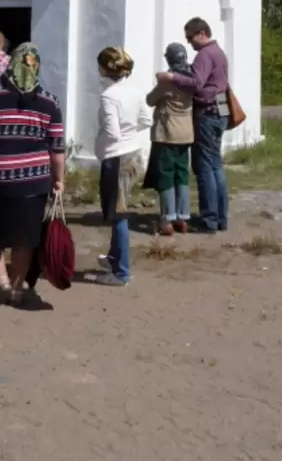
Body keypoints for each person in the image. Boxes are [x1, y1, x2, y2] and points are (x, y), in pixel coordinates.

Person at [0, 42, 65, 305]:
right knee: (25, 236)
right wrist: (59, 179)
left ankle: (1, 280)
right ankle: (18, 290)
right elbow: (57, 149)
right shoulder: (50, 102)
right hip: (33, 182)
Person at [157, 17, 230, 234]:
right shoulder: (219, 52)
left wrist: (171, 77)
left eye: (190, 37)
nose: (189, 43)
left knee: (205, 167)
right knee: (216, 166)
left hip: (207, 113)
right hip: (221, 109)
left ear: (201, 33)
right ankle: (220, 218)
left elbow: (196, 83)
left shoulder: (205, 55)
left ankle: (209, 219)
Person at [93, 46, 152, 286]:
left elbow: (112, 132)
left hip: (116, 158)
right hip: (134, 154)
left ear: (106, 68)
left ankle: (121, 272)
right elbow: (146, 120)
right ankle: (115, 258)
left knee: (118, 215)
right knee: (119, 211)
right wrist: (131, 133)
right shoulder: (134, 90)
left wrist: (107, 142)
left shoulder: (109, 96)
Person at [144, 43, 194, 235]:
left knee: (165, 176)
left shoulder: (167, 82)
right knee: (182, 175)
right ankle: (183, 217)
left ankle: (167, 219)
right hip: (186, 133)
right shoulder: (192, 79)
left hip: (167, 134)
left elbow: (150, 100)